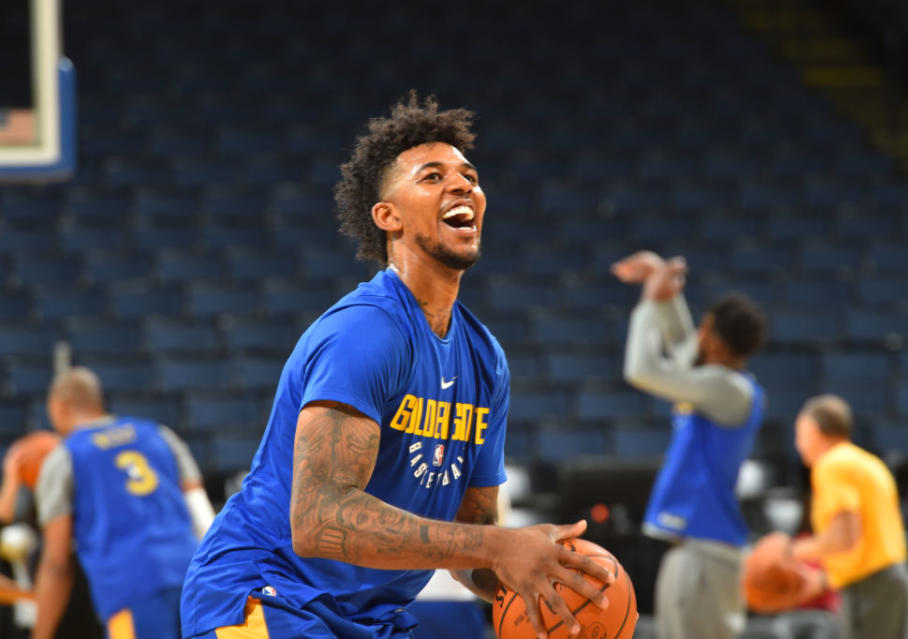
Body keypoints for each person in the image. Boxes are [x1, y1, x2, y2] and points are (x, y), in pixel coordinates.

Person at [180, 93, 611, 639]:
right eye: (432, 177)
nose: (463, 186)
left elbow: (471, 536)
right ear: (388, 216)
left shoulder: (486, 360)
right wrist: (499, 546)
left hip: (368, 617)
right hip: (266, 593)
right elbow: (319, 521)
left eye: (470, 176)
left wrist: (553, 587)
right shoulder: (365, 333)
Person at [612, 250, 767, 639]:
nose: (696, 335)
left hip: (706, 552)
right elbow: (685, 348)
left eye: (703, 328)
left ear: (714, 338)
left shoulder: (727, 388)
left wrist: (650, 300)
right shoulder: (719, 382)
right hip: (697, 551)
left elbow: (642, 369)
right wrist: (666, 292)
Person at [33, 367, 215, 639]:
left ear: (60, 406)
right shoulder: (160, 434)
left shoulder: (64, 457)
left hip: (130, 590)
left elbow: (57, 564)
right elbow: (203, 515)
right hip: (195, 576)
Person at [791, 394, 908, 639]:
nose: (797, 444)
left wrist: (790, 552)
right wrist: (826, 579)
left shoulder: (832, 464)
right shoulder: (864, 461)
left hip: (872, 585)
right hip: (887, 579)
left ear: (813, 431)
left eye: (799, 435)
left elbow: (844, 538)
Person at [0, 433, 102, 639]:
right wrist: (13, 478)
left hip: (82, 610)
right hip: (41, 615)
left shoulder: (82, 501)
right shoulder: (36, 509)